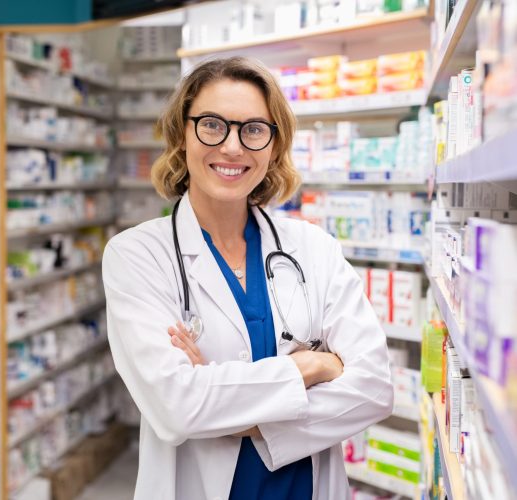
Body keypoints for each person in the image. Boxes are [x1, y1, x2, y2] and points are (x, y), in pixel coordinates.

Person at [102, 56, 393, 500]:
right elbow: (177, 407)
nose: (233, 148)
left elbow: (373, 388)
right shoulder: (137, 255)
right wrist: (311, 366)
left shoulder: (313, 248)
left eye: (254, 129)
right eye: (213, 125)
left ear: (274, 145)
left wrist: (240, 416)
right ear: (183, 134)